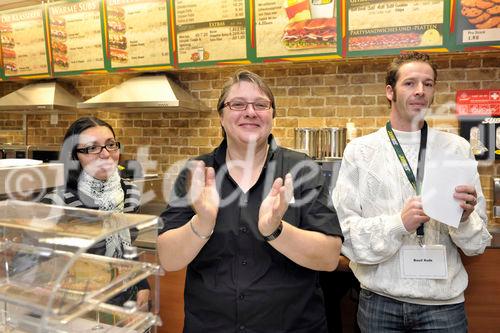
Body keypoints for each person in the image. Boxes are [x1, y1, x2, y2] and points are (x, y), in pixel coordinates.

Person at [158, 70, 343, 333]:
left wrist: (276, 231)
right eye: (238, 104)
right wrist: (202, 222)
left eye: (261, 105)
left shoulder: (302, 169)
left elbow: (329, 258)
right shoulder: (197, 172)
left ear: (272, 115)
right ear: (221, 116)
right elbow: (168, 259)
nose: (250, 112)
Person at [332, 52, 492, 332]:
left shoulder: (456, 149)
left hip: (442, 306)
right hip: (380, 303)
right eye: (410, 83)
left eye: (428, 84)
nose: (420, 90)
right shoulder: (360, 151)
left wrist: (465, 219)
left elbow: (477, 244)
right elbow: (347, 235)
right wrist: (399, 224)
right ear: (390, 91)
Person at [40, 116, 150, 309]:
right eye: (92, 148)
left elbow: (126, 249)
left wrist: (142, 284)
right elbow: (38, 264)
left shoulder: (129, 194)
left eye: (110, 145)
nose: (106, 154)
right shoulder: (57, 202)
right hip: (74, 305)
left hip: (124, 297)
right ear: (74, 156)